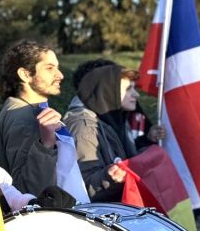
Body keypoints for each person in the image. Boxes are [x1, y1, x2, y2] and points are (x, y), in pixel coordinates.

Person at [64, 61, 163, 201]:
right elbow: (82, 186)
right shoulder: (84, 126)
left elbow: (127, 158)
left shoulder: (115, 119)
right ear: (108, 92)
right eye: (128, 89)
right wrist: (110, 177)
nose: (136, 95)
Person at [0, 40, 68, 196]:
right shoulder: (24, 117)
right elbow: (28, 190)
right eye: (49, 68)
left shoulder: (22, 111)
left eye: (57, 68)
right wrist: (46, 145)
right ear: (25, 75)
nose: (60, 75)